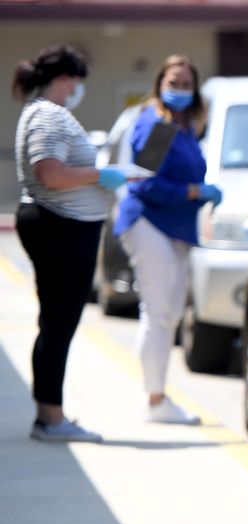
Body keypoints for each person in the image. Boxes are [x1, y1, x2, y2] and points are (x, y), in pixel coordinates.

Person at [12, 45, 127, 442]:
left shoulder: (38, 111)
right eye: (78, 81)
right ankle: (51, 417)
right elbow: (50, 173)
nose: (79, 89)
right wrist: (99, 176)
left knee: (55, 322)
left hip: (58, 224)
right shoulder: (49, 114)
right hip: (61, 226)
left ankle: (49, 412)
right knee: (59, 323)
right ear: (66, 80)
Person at [113, 55, 221, 425]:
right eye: (172, 82)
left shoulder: (186, 125)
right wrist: (194, 192)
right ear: (159, 82)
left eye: (185, 83)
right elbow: (143, 181)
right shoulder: (156, 121)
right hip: (148, 221)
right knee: (159, 313)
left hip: (174, 227)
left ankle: (156, 394)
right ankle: (155, 400)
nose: (178, 89)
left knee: (169, 314)